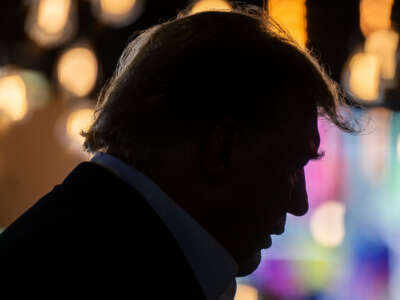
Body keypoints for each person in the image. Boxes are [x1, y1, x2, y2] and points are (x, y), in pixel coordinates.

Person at [0, 3, 356, 299]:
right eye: (292, 165)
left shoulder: (75, 243)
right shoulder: (107, 275)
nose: (300, 204)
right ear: (223, 149)